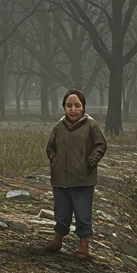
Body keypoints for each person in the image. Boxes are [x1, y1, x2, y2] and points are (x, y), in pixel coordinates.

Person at [44, 89, 108, 260]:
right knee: (61, 212)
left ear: (83, 107)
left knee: (83, 213)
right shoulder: (58, 127)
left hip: (83, 180)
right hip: (60, 180)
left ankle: (84, 245)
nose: (73, 109)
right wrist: (55, 161)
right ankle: (58, 240)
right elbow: (50, 148)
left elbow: (100, 146)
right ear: (64, 107)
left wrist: (89, 162)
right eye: (69, 106)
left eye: (77, 105)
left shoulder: (91, 126)